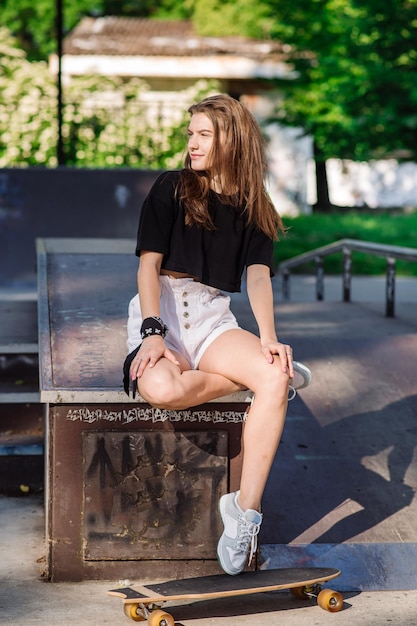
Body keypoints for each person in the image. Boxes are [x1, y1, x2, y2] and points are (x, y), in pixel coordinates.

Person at [124, 93, 294, 576]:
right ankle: (246, 379)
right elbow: (148, 266)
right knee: (163, 388)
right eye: (190, 134)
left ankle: (244, 513)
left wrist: (267, 336)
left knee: (275, 375)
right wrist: (153, 332)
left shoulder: (253, 202)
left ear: (230, 140)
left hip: (213, 317)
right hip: (162, 310)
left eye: (203, 134)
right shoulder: (171, 187)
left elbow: (258, 275)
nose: (192, 143)